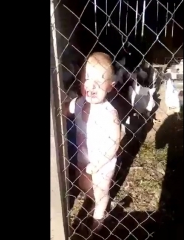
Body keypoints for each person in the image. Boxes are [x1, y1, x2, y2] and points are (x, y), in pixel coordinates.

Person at [63, 52, 121, 233]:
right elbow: (65, 109)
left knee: (101, 190)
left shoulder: (109, 114)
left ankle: (99, 217)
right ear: (80, 82)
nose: (92, 86)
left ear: (111, 87)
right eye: (87, 79)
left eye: (100, 81)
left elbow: (115, 143)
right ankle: (95, 198)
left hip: (102, 163)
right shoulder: (79, 102)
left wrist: (99, 163)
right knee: (84, 184)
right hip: (83, 158)